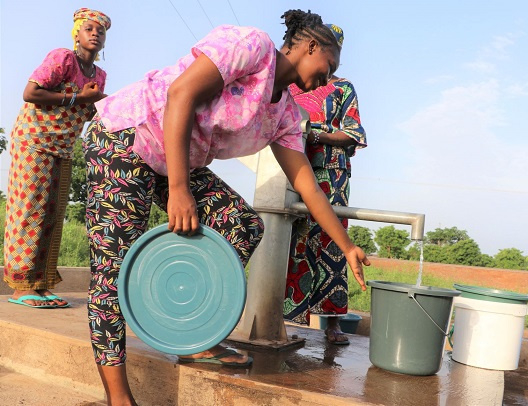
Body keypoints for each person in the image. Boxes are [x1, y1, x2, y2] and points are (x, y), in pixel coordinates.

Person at [84, 9, 369, 405]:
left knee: (243, 223)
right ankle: (119, 397)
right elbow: (180, 93)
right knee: (111, 270)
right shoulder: (252, 47)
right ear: (310, 46)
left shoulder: (286, 114)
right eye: (329, 64)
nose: (330, 75)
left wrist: (346, 245)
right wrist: (179, 190)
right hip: (128, 134)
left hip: (177, 157)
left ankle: (192, 335)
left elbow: (310, 189)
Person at [4, 8, 110, 309]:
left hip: (62, 146)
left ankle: (42, 284)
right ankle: (20, 286)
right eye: (88, 28)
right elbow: (31, 93)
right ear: (76, 32)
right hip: (34, 140)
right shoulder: (63, 58)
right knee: (29, 211)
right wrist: (78, 98)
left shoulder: (99, 75)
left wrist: (95, 103)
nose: (95, 33)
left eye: (100, 31)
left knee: (52, 215)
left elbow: (85, 112)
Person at [284, 66, 367, 344]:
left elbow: (353, 133)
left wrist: (317, 135)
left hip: (332, 170)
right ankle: (285, 316)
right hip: (292, 163)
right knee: (291, 236)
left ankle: (333, 323)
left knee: (332, 240)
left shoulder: (343, 88)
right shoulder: (292, 86)